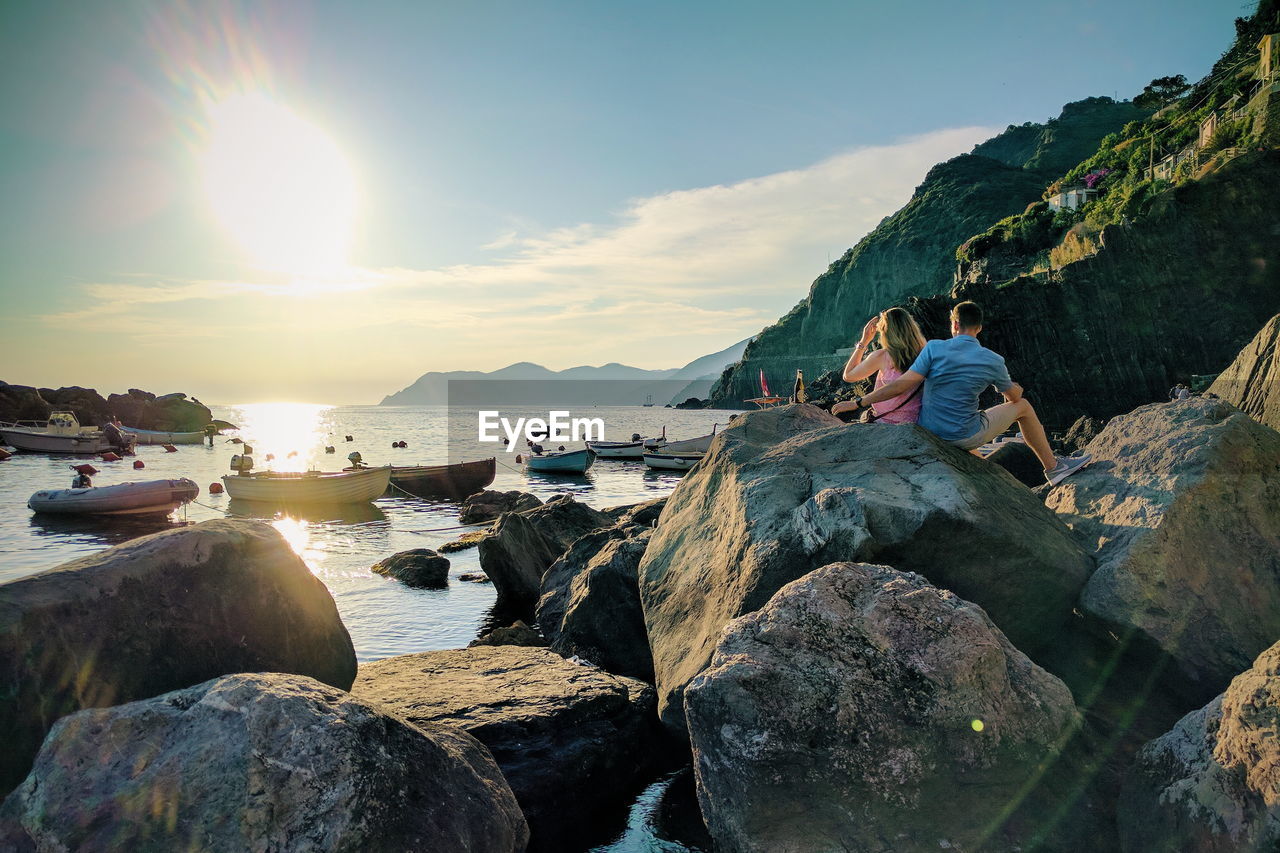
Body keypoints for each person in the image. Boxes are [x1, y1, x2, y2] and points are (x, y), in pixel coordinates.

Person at [849, 301, 1090, 486]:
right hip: (963, 435)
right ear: (980, 328)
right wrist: (1014, 387)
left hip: (928, 429)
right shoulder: (992, 360)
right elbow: (1013, 397)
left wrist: (860, 402)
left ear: (954, 324)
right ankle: (1054, 467)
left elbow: (902, 384)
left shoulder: (933, 348)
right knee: (1024, 406)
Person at [833, 307, 927, 424]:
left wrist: (864, 341)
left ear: (884, 331)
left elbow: (848, 376)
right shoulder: (925, 353)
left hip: (884, 421)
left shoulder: (882, 356)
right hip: (915, 420)